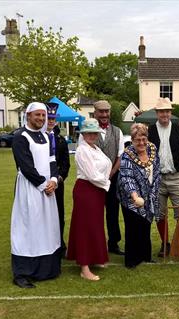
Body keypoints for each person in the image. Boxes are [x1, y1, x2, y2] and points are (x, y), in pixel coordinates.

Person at [10, 102, 61, 288]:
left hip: (48, 189)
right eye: (37, 115)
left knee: (47, 228)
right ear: (28, 115)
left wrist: (54, 181)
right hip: (30, 189)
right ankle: (23, 272)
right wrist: (43, 184)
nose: (40, 118)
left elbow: (52, 161)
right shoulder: (20, 137)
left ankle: (46, 270)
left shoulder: (46, 137)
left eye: (43, 115)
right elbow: (25, 166)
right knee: (28, 228)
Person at [67, 119, 111, 281]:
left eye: (94, 133)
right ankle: (84, 267)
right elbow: (92, 175)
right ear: (83, 134)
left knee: (95, 225)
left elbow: (104, 167)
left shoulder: (96, 148)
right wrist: (107, 183)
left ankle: (94, 258)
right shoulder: (82, 150)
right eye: (89, 132)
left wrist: (104, 184)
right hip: (86, 190)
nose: (92, 135)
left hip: (97, 191)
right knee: (85, 227)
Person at [148, 97, 179, 258]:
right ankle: (165, 243)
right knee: (159, 214)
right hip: (157, 178)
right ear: (157, 113)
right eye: (161, 111)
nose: (164, 114)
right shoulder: (149, 130)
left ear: (170, 112)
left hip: (176, 177)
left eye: (166, 111)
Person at [117, 123, 161, 268]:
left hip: (149, 196)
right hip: (130, 197)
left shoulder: (153, 149)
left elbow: (156, 171)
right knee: (133, 227)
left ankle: (145, 256)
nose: (141, 143)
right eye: (137, 140)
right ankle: (132, 260)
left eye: (143, 139)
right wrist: (135, 196)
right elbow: (126, 177)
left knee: (146, 224)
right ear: (132, 140)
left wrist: (154, 191)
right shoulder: (127, 154)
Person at [93, 100, 125, 256]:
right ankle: (95, 243)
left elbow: (120, 155)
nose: (104, 114)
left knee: (113, 211)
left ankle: (113, 243)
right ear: (95, 112)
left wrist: (111, 173)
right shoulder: (89, 130)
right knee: (95, 212)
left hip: (113, 178)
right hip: (94, 179)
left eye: (107, 111)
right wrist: (98, 176)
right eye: (101, 111)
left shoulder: (117, 131)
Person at [46, 103, 70, 257]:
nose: (51, 121)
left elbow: (66, 163)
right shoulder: (39, 138)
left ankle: (60, 244)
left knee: (59, 214)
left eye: (53, 118)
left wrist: (59, 178)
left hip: (58, 183)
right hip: (42, 183)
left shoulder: (60, 140)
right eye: (49, 117)